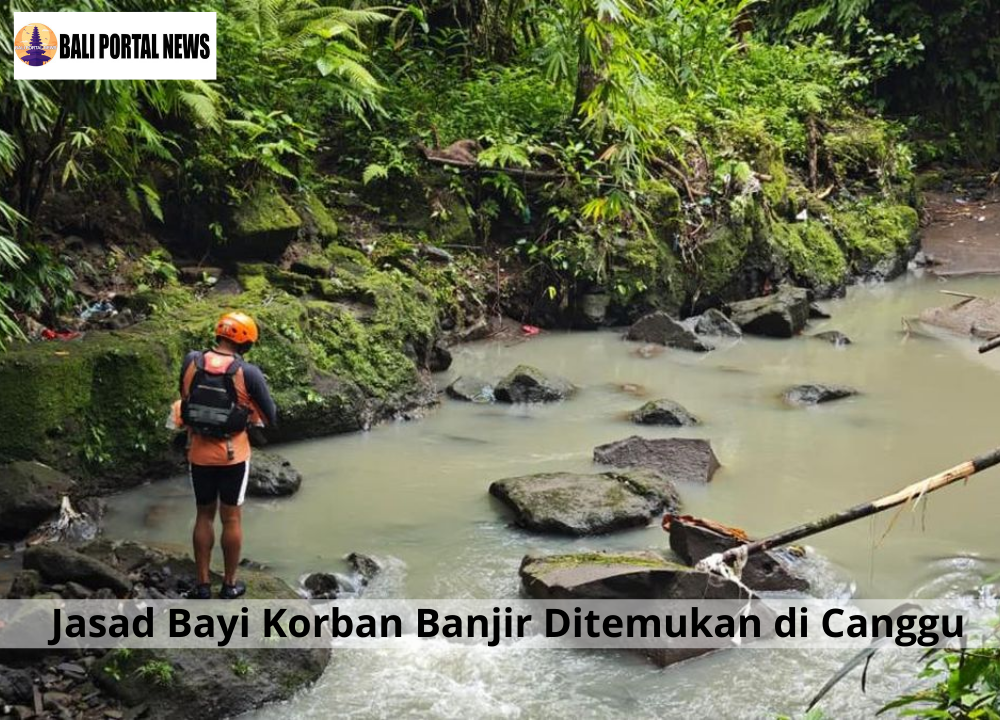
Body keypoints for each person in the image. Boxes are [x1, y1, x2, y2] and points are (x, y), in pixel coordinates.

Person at [173, 312, 277, 599]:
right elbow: (271, 416)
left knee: (203, 515)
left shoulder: (191, 362)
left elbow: (185, 397)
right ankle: (229, 585)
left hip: (199, 453)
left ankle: (203, 585)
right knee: (231, 518)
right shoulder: (249, 373)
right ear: (245, 343)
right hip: (233, 455)